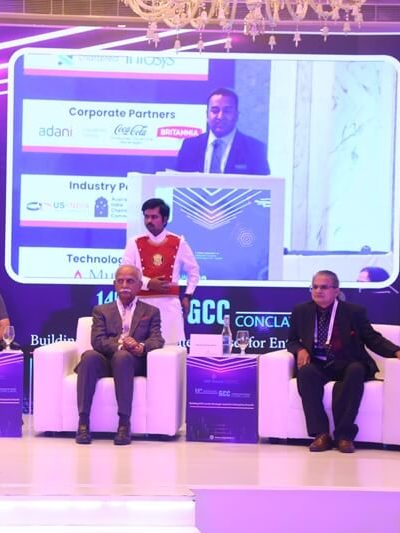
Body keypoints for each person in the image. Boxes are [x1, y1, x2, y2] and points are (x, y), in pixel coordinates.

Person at [286, 270, 400, 453]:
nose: (318, 291)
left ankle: (344, 436)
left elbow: (372, 338)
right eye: (314, 287)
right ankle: (321, 434)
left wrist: (396, 351)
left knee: (356, 370)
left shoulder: (353, 312)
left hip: (348, 362)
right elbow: (292, 340)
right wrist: (299, 349)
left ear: (336, 290)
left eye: (324, 287)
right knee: (306, 373)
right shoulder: (301, 311)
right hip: (319, 363)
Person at [75, 265, 164, 446]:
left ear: (139, 285)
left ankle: (124, 424)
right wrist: (122, 345)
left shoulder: (151, 311)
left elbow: (157, 339)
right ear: (114, 284)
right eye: (120, 281)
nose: (124, 285)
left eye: (130, 281)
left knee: (122, 357)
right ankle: (83, 423)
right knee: (89, 357)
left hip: (132, 363)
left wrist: (140, 347)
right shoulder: (101, 310)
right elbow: (98, 341)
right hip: (107, 360)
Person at [122, 198, 199, 345]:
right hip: (141, 304)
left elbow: (194, 271)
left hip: (169, 305)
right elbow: (126, 272)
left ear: (165, 219)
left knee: (170, 349)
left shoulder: (178, 242)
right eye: (146, 216)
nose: (149, 221)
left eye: (154, 217)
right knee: (139, 347)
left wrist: (188, 296)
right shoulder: (134, 242)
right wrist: (148, 283)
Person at [175, 88, 270, 175]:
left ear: (236, 115)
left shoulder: (255, 150)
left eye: (227, 111)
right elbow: (178, 183)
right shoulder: (190, 146)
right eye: (215, 111)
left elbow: (264, 186)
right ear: (207, 115)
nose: (220, 117)